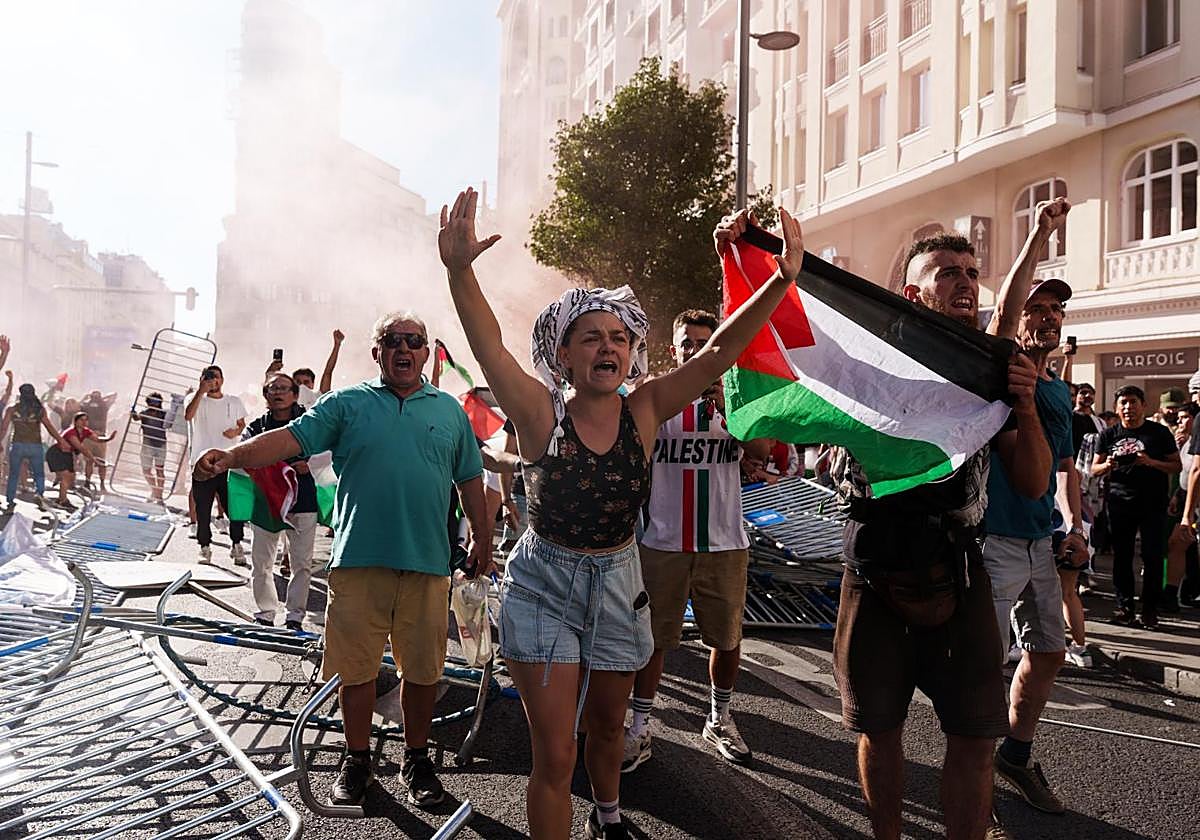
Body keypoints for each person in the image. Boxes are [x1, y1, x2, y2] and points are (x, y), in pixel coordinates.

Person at [439, 186, 803, 840]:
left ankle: (607, 816)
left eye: (617, 337)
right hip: (543, 588)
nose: (607, 347)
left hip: (618, 581)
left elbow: (720, 353)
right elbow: (490, 347)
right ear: (565, 354)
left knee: (609, 726)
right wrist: (460, 270)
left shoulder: (644, 407)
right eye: (590, 338)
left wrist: (778, 283)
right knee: (555, 753)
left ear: (631, 350)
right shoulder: (539, 414)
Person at [195, 311, 489, 810]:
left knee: (423, 672)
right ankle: (358, 760)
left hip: (427, 564)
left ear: (424, 351)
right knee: (355, 671)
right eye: (392, 340)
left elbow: (470, 479)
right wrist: (232, 457)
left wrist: (484, 535)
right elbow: (289, 440)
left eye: (413, 341)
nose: (403, 348)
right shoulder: (347, 403)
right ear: (377, 352)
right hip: (358, 563)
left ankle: (416, 760)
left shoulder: (448, 411)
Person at [831, 227, 1051, 840]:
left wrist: (1027, 408)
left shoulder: (988, 369)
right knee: (879, 728)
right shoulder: (872, 362)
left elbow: (1033, 483)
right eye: (946, 271)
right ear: (913, 291)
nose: (963, 280)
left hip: (957, 566)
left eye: (970, 271)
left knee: (976, 737)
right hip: (874, 566)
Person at [622, 308, 769, 774]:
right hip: (663, 541)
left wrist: (729, 406)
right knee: (653, 640)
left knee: (726, 640)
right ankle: (641, 725)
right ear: (675, 348)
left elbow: (764, 452)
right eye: (688, 343)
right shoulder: (659, 400)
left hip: (724, 542)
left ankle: (719, 718)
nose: (696, 351)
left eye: (706, 343)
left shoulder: (735, 400)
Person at [981, 270, 1086, 817]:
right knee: (987, 667)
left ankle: (1015, 756)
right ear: (1018, 315)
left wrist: (1074, 525)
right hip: (994, 539)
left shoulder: (1058, 389)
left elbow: (1065, 468)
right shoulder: (999, 371)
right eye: (1037, 308)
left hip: (1041, 542)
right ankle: (976, 801)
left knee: (1048, 651)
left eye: (1056, 310)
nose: (1048, 317)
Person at [1091, 385, 1181, 628]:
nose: (1128, 407)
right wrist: (1107, 465)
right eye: (1123, 403)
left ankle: (1150, 610)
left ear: (1143, 406)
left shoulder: (1159, 433)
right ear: (1116, 408)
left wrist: (1149, 462)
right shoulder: (1109, 435)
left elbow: (1176, 465)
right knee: (1122, 557)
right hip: (1120, 503)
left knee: (1152, 557)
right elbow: (1093, 469)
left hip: (1153, 504)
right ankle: (1125, 607)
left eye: (1133, 402)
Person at [243, 373, 319, 631]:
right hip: (266, 502)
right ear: (265, 394)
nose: (277, 393)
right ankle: (265, 612)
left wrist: (308, 465)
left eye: (283, 388)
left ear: (295, 394)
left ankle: (295, 616)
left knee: (301, 562)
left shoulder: (311, 423)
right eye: (272, 388)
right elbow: (246, 453)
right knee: (261, 561)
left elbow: (327, 451)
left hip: (303, 500)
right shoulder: (256, 428)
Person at [185, 365, 248, 566]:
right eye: (208, 377)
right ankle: (205, 547)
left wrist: (236, 431)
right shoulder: (195, 399)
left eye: (216, 377)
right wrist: (201, 390)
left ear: (222, 379)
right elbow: (188, 415)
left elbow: (242, 424)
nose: (213, 380)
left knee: (235, 509)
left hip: (229, 461)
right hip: (202, 463)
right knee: (203, 508)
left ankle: (237, 544)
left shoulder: (233, 401)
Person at [1, 384, 67, 511]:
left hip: (18, 445)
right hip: (35, 445)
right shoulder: (39, 409)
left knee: (13, 474)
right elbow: (49, 426)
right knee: (39, 473)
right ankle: (40, 495)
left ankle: (10, 501)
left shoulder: (12, 409)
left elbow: (4, 428)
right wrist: (61, 440)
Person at [47, 411, 115, 510]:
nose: (84, 422)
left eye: (86, 420)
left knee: (70, 477)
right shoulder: (71, 432)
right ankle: (62, 500)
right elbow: (81, 448)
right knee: (67, 477)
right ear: (75, 421)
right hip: (57, 453)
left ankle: (61, 499)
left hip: (67, 454)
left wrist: (109, 438)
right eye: (81, 420)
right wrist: (93, 459)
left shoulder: (85, 431)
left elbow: (97, 439)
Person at [131, 393, 169, 502]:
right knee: (146, 470)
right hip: (147, 445)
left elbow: (173, 418)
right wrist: (133, 412)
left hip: (161, 445)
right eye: (152, 402)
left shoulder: (163, 414)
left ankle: (159, 496)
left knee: (160, 470)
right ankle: (155, 491)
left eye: (156, 402)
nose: (154, 404)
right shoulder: (144, 413)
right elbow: (136, 418)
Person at [78, 390, 118, 492]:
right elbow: (114, 396)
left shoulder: (88, 405)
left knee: (95, 462)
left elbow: (78, 405)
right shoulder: (103, 405)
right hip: (95, 436)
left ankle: (94, 483)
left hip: (93, 436)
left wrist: (87, 397)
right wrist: (102, 398)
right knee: (96, 462)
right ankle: (97, 483)